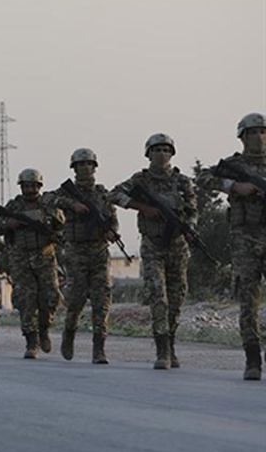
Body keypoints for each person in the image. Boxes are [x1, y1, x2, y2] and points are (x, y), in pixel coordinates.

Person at [111, 134, 198, 370]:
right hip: (152, 246)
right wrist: (143, 208)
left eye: (166, 149)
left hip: (177, 247)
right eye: (157, 149)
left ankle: (170, 344)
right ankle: (161, 350)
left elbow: (192, 210)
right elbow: (115, 194)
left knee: (177, 298)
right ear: (148, 153)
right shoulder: (140, 180)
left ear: (172, 153)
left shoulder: (182, 182)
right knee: (158, 297)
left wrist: (189, 229)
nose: (162, 154)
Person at [197, 113, 266, 381]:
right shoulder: (234, 165)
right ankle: (252, 360)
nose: (258, 137)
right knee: (247, 299)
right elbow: (203, 178)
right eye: (252, 133)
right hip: (244, 239)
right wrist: (234, 186)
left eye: (262, 132)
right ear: (242, 137)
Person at [44, 149, 117, 364]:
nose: (85, 167)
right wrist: (71, 204)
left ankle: (99, 348)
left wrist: (111, 231)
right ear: (74, 168)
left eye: (88, 164)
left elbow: (112, 220)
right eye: (80, 164)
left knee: (101, 300)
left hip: (99, 251)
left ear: (95, 167)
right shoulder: (67, 192)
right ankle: (69, 332)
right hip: (76, 251)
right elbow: (47, 198)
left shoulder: (103, 194)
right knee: (75, 299)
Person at [0, 168, 66, 359]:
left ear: (39, 186)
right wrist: (8, 224)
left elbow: (61, 223)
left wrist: (49, 218)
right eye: (26, 186)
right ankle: (31, 340)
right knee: (25, 299)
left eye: (33, 186)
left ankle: (44, 328)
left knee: (51, 297)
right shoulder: (13, 206)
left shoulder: (47, 205)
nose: (29, 190)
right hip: (20, 258)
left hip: (44, 256)